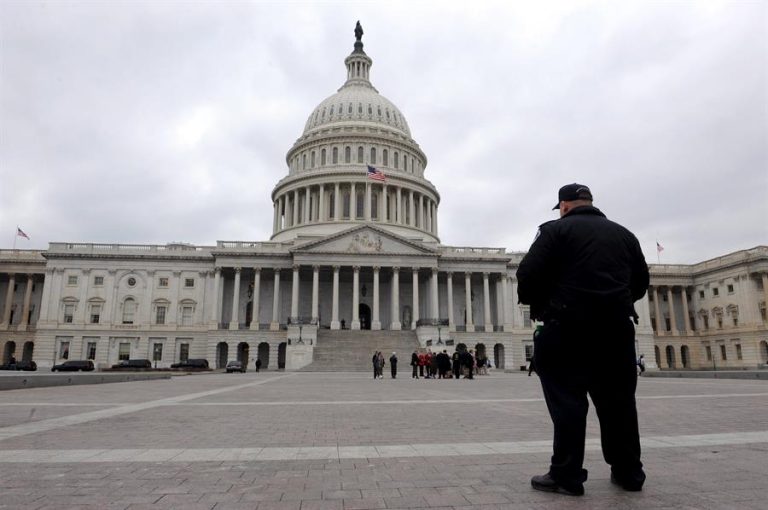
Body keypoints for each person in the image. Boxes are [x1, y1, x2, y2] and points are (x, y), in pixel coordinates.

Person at [517, 183, 649, 496]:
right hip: (615, 330)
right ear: (590, 202)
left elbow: (527, 275)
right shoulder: (624, 234)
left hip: (566, 327)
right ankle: (629, 472)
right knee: (619, 404)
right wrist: (614, 301)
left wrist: (543, 304)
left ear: (563, 206)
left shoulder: (554, 232)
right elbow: (641, 282)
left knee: (568, 404)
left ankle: (567, 475)